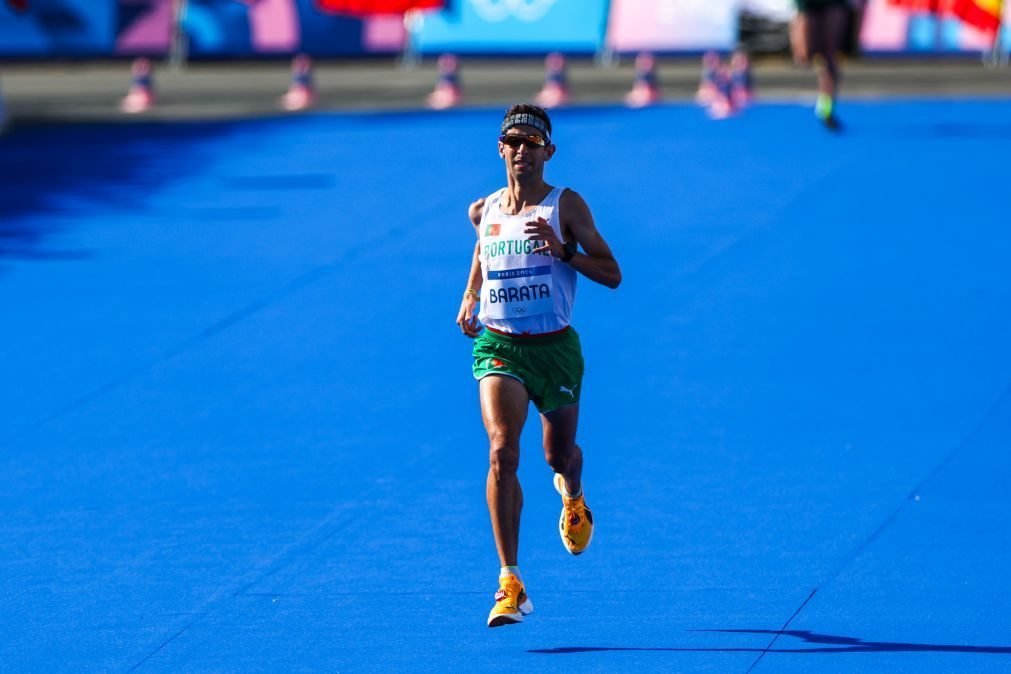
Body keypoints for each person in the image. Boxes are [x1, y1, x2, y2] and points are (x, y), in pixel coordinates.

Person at [455, 104, 621, 628]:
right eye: (513, 142)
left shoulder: (564, 205)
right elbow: (483, 250)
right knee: (502, 452)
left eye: (532, 142)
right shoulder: (485, 210)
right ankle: (510, 581)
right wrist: (469, 294)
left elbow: (613, 273)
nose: (522, 150)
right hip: (500, 347)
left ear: (548, 152)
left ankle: (572, 494)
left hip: (555, 349)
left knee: (556, 456)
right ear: (501, 150)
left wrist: (565, 251)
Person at [791, 0, 850, 129]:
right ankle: (825, 105)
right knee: (813, 58)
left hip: (833, 6)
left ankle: (826, 107)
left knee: (830, 60)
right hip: (810, 7)